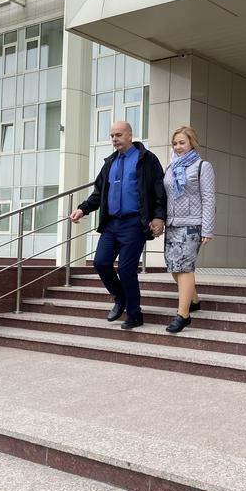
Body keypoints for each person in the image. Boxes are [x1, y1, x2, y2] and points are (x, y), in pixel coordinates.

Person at [69, 121, 166, 329]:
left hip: (134, 223)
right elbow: (98, 193)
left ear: (130, 135)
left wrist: (159, 217)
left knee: (126, 269)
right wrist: (82, 209)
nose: (114, 139)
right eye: (112, 135)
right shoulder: (110, 162)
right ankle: (121, 297)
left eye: (119, 135)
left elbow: (159, 190)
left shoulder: (146, 159)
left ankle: (135, 314)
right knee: (101, 263)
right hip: (112, 223)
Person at [162, 126, 215, 333]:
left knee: (184, 267)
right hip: (172, 223)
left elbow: (209, 199)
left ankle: (183, 315)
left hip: (193, 224)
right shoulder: (171, 167)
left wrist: (207, 229)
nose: (178, 147)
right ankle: (193, 299)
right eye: (175, 143)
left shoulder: (203, 166)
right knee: (174, 267)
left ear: (191, 142)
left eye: (182, 142)